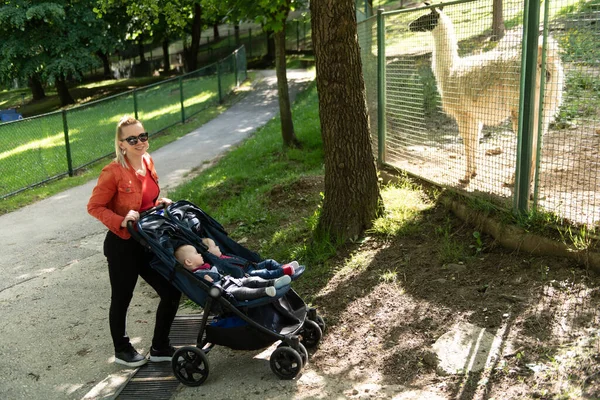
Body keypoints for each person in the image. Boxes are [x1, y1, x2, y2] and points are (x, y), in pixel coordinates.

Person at [87, 115, 181, 368]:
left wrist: (160, 203)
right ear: (121, 144)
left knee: (172, 291)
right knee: (122, 297)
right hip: (122, 246)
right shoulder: (113, 172)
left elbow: (146, 200)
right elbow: (94, 206)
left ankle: (160, 347)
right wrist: (120, 219)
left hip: (147, 242)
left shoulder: (148, 161)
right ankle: (122, 349)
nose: (140, 142)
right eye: (132, 139)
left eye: (143, 136)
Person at [174, 244, 291, 301]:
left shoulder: (208, 267)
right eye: (196, 253)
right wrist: (210, 283)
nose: (200, 254)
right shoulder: (197, 275)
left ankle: (274, 283)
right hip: (227, 290)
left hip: (233, 280)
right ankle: (265, 291)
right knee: (244, 292)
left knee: (252, 280)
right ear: (188, 261)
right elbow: (210, 290)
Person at [201, 237, 298, 279]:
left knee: (269, 262)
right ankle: (283, 272)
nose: (218, 247)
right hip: (246, 274)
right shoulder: (219, 264)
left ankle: (282, 267)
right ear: (209, 253)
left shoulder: (224, 255)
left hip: (251, 266)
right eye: (214, 246)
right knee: (264, 273)